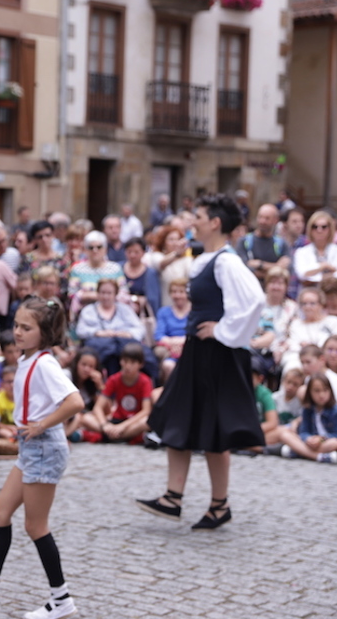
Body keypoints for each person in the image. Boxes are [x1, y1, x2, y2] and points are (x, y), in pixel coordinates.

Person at [0, 297, 84, 619]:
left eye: (27, 327)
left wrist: (41, 424)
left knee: (36, 526)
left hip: (44, 447)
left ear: (45, 332)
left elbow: (75, 402)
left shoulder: (45, 363)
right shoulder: (27, 359)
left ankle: (61, 599)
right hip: (31, 447)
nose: (18, 332)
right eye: (16, 325)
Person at [137, 194, 265, 531]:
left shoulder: (227, 262)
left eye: (199, 216)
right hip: (199, 351)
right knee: (177, 416)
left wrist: (222, 331)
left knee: (213, 426)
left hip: (217, 354)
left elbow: (254, 301)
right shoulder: (206, 258)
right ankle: (173, 497)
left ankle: (217, 504)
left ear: (215, 223)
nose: (193, 221)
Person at [75, 278, 151, 377]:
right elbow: (80, 330)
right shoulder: (88, 310)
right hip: (99, 347)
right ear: (98, 293)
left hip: (123, 346)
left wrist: (128, 334)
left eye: (109, 293)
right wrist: (97, 333)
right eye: (103, 293)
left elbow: (140, 329)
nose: (106, 296)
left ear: (115, 294)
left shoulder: (125, 309)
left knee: (142, 355)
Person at [81, 342, 153, 444]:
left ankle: (113, 436)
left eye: (132, 363)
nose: (128, 366)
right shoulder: (114, 379)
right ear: (120, 361)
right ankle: (121, 436)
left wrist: (122, 426)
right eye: (125, 361)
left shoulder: (145, 381)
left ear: (140, 364)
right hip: (116, 420)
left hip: (132, 422)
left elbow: (146, 411)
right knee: (86, 418)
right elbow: (98, 407)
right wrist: (104, 425)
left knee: (147, 421)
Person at [277, 374, 337, 463]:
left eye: (325, 390)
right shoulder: (307, 409)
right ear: (310, 393)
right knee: (285, 435)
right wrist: (308, 439)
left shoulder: (336, 410)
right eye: (317, 391)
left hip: (325, 442)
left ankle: (299, 452)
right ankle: (317, 456)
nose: (321, 395)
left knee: (334, 443)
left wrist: (321, 439)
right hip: (310, 443)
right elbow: (304, 431)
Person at [274, 287, 337, 375]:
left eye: (312, 303)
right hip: (300, 360)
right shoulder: (296, 324)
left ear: (321, 305)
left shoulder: (332, 321)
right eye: (304, 304)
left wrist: (310, 347)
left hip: (326, 360)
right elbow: (293, 345)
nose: (308, 307)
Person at [67, 231, 126, 315]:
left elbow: (123, 293)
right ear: (85, 250)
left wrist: (89, 295)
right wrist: (105, 296)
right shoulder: (77, 269)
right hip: (84, 314)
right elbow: (72, 294)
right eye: (91, 247)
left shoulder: (115, 269)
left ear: (105, 249)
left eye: (99, 247)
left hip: (113, 314)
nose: (95, 250)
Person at [293, 210, 337, 290]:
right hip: (310, 293)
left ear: (330, 229)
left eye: (324, 227)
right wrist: (324, 266)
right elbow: (302, 275)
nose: (319, 230)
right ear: (310, 229)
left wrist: (313, 275)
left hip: (333, 293)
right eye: (315, 227)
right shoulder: (301, 252)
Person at [236, 204, 290, 284]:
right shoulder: (244, 242)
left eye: (267, 218)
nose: (262, 221)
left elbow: (286, 269)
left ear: (275, 220)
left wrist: (260, 264)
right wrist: (276, 267)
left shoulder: (282, 244)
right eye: (260, 217)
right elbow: (243, 268)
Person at [153, 278, 190, 385]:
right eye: (174, 292)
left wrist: (182, 343)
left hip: (189, 348)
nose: (177, 295)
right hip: (169, 351)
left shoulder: (194, 311)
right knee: (168, 366)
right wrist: (173, 345)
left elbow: (196, 333)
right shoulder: (163, 312)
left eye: (181, 292)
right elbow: (159, 335)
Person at [148, 226, 192, 308]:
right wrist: (176, 253)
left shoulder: (187, 260)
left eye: (178, 239)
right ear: (163, 242)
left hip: (185, 307)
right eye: (171, 240)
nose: (175, 243)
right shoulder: (157, 256)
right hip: (165, 306)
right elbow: (160, 264)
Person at [122, 237, 161, 316]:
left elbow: (153, 299)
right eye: (129, 252)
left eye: (136, 252)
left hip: (143, 315)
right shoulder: (119, 269)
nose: (132, 255)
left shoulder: (150, 273)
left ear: (143, 253)